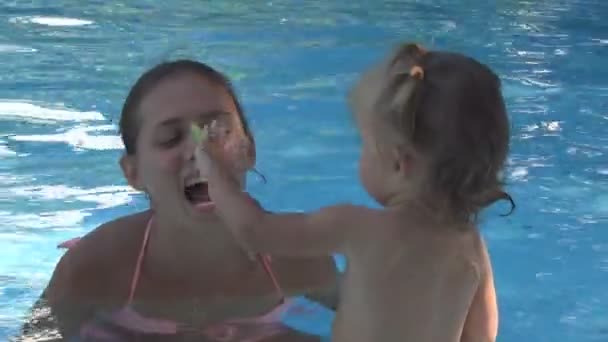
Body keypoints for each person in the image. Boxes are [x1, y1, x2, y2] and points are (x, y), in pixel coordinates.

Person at [201, 43, 510, 342]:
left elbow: (255, 231)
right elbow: (482, 336)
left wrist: (214, 173)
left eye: (365, 145)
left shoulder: (356, 227)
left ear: (399, 163)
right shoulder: (470, 245)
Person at [16, 60, 339, 341]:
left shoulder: (299, 258)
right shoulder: (95, 268)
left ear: (249, 150)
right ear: (134, 173)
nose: (200, 152)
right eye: (170, 139)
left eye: (218, 131)